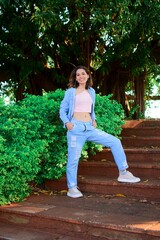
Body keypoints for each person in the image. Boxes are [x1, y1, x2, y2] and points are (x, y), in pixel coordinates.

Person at [59, 66, 141, 198]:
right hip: (76, 129)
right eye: (78, 75)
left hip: (90, 128)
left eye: (83, 74)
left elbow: (91, 108)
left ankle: (123, 172)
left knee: (114, 141)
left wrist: (94, 119)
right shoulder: (70, 92)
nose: (80, 76)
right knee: (73, 159)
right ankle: (72, 187)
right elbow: (62, 109)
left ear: (88, 75)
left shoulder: (91, 91)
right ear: (75, 78)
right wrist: (67, 123)